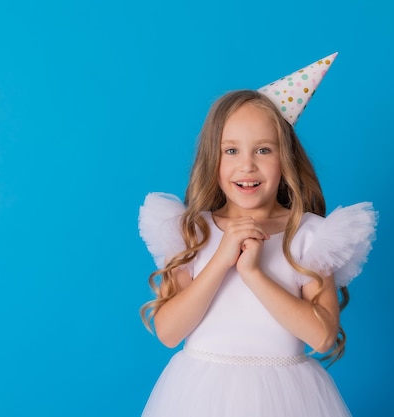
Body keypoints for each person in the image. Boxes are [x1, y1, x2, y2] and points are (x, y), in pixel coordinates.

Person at [138, 53, 377, 417]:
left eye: (263, 150)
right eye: (231, 150)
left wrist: (254, 273)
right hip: (199, 397)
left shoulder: (309, 235)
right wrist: (221, 260)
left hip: (289, 399)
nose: (246, 165)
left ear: (286, 160)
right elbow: (169, 333)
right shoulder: (193, 230)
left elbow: (323, 337)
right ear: (212, 160)